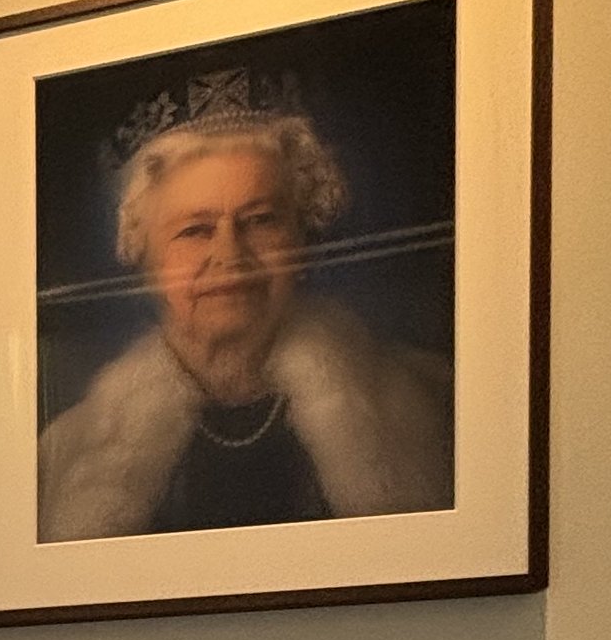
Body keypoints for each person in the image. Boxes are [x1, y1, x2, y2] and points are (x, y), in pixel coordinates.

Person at [36, 90, 451, 538]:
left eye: (260, 220)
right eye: (195, 230)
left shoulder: (432, 404)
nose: (230, 255)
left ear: (301, 236)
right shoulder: (63, 453)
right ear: (146, 255)